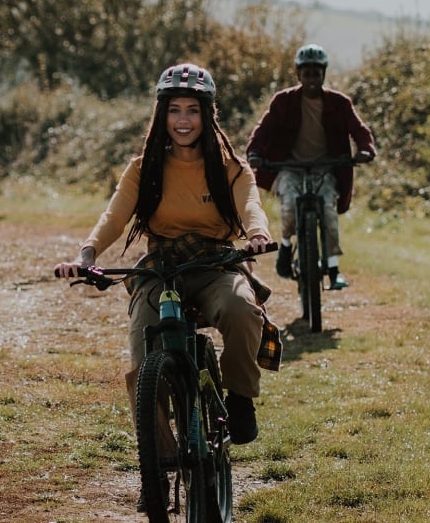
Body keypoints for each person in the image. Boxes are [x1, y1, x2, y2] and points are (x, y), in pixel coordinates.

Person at [54, 62, 273, 447]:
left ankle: (240, 398)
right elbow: (114, 216)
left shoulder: (230, 167)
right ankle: (155, 459)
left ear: (207, 115)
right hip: (162, 269)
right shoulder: (143, 168)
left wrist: (257, 233)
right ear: (162, 115)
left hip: (216, 263)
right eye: (174, 110)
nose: (183, 120)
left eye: (192, 110)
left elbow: (250, 203)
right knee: (143, 347)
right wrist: (86, 254)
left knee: (242, 309)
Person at [246, 43, 376, 290]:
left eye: (317, 73)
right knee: (289, 207)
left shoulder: (339, 103)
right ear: (298, 75)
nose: (312, 79)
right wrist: (255, 153)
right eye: (307, 74)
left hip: (325, 167)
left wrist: (365, 149)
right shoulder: (283, 101)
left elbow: (359, 129)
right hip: (289, 166)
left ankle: (334, 268)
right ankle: (285, 246)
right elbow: (264, 129)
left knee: (328, 208)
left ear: (324, 74)